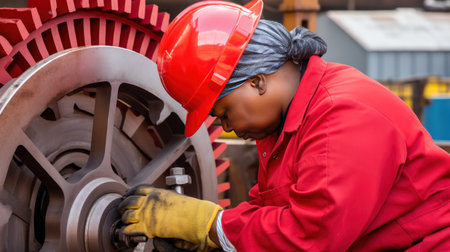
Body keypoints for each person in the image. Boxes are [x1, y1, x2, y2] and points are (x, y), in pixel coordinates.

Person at [118, 0, 450, 251]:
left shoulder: (341, 117)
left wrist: (208, 225)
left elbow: (312, 238)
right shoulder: (291, 123)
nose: (229, 128)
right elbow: (272, 209)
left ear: (257, 82)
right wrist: (218, 238)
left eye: (224, 112)